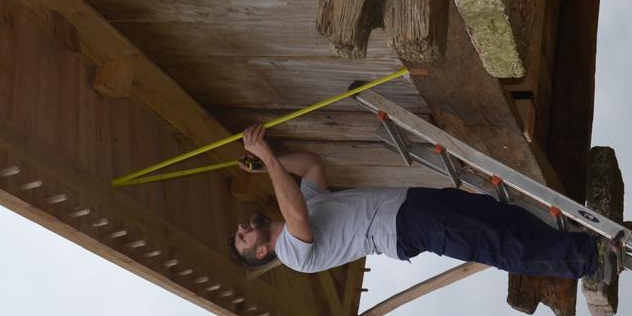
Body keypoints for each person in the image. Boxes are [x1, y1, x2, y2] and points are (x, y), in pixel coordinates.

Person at [229, 125, 611, 283]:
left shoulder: (312, 205)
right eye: (243, 240)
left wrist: (268, 167)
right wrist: (266, 157)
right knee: (494, 243)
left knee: (497, 216)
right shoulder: (294, 255)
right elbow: (294, 212)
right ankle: (589, 260)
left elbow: (312, 165)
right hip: (407, 227)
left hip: (410, 204)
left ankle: (581, 245)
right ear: (263, 251)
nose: (243, 229)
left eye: (240, 230)